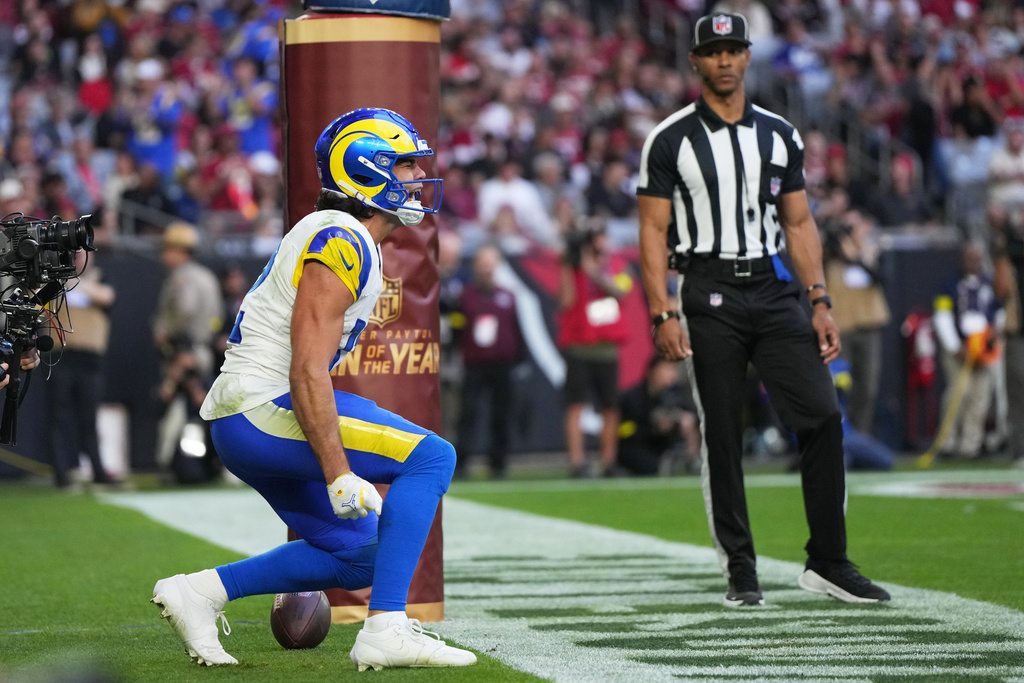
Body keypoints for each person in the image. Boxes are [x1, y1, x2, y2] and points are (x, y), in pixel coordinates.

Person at [151, 108, 477, 670]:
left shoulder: (341, 234)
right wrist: (338, 472)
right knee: (431, 459)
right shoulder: (342, 236)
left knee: (362, 556)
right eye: (400, 166)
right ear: (364, 172)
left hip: (246, 416)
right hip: (262, 409)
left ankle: (202, 591)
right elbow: (307, 369)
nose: (413, 179)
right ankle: (387, 628)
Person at [636, 12, 890, 608]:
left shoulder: (779, 134)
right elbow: (651, 230)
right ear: (695, 60)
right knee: (722, 432)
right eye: (713, 51)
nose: (724, 60)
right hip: (707, 288)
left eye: (734, 50)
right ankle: (740, 567)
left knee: (823, 416)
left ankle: (828, 560)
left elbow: (799, 223)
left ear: (748, 57)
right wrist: (661, 312)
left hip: (774, 290)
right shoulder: (670, 138)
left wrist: (820, 300)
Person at [557, 223, 631, 478]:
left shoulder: (616, 264)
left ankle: (608, 461)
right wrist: (570, 267)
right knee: (575, 405)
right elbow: (566, 301)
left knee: (610, 406)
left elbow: (622, 291)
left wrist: (595, 272)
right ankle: (577, 462)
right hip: (579, 347)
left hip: (607, 349)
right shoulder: (574, 267)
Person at [151, 221, 223, 476]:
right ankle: (212, 466)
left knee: (176, 413)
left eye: (168, 249)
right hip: (202, 351)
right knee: (202, 411)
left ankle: (174, 466)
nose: (164, 254)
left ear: (181, 250)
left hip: (184, 353)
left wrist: (167, 333)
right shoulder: (206, 275)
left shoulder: (183, 277)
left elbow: (185, 309)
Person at [46, 249, 117, 488]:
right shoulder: (51, 280)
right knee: (59, 416)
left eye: (82, 253)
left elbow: (107, 297)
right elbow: (36, 302)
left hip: (90, 359)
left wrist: (74, 283)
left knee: (89, 417)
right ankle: (62, 474)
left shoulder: (100, 277)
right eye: (73, 254)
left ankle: (98, 471)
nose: (78, 259)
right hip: (61, 356)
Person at [453, 244, 524, 479]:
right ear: (475, 266)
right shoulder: (465, 296)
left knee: (501, 415)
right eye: (483, 263)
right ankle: (462, 462)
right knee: (468, 414)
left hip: (502, 364)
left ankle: (499, 463)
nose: (486, 268)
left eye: (490, 263)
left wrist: (520, 359)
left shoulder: (508, 296)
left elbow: (516, 329)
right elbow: (457, 329)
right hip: (474, 364)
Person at [933, 242, 1004, 459]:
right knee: (957, 393)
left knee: (980, 397)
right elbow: (942, 317)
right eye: (968, 258)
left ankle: (970, 446)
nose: (972, 262)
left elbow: (1000, 313)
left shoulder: (990, 284)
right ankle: (948, 442)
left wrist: (994, 336)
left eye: (976, 258)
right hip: (959, 348)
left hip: (984, 348)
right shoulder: (949, 285)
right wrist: (955, 346)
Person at [617, 356, 700, 476]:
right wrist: (654, 428)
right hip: (638, 444)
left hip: (665, 445)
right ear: (652, 371)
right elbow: (624, 431)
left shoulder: (675, 395)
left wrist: (685, 420)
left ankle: (690, 460)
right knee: (637, 456)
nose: (670, 375)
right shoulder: (634, 397)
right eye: (666, 370)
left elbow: (693, 416)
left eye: (672, 370)